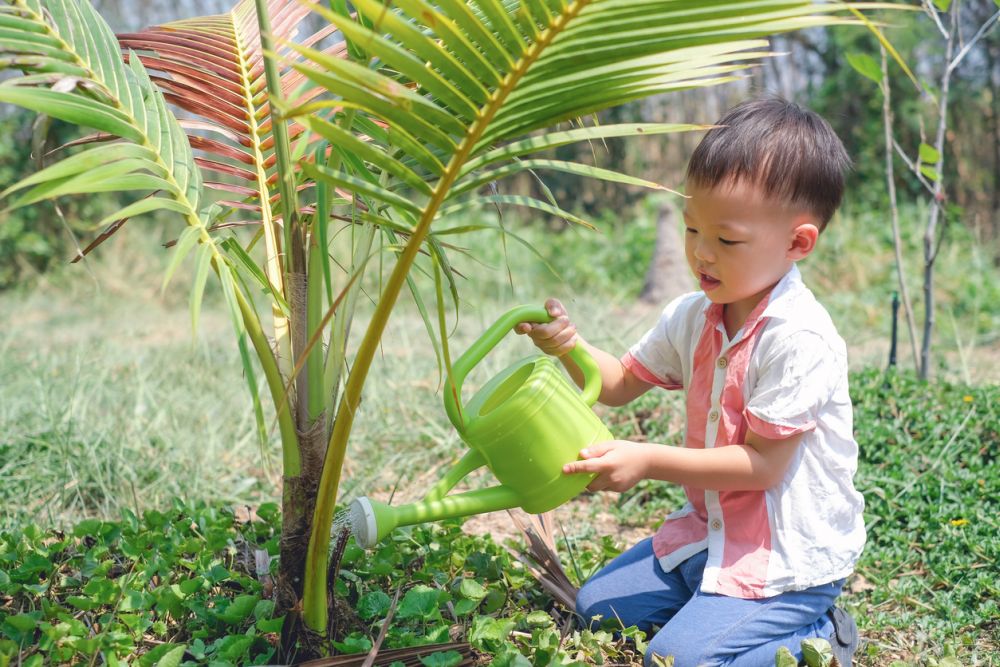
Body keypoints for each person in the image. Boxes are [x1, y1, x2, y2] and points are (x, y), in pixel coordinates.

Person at [516, 97, 865, 667]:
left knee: (676, 661)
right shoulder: (691, 314)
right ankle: (713, 606)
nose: (701, 252)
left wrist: (647, 460)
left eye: (726, 240)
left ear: (798, 243)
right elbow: (621, 382)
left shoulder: (800, 338)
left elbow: (763, 467)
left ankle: (821, 637)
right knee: (595, 608)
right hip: (712, 537)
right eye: (691, 228)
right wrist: (568, 346)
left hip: (785, 559)